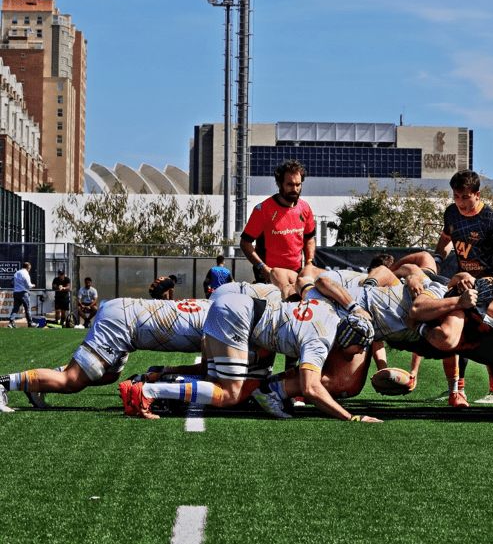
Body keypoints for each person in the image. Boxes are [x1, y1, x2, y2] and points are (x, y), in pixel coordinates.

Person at [120, 291, 381, 423]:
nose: (359, 353)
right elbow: (311, 389)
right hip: (238, 318)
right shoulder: (321, 340)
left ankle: (150, 377)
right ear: (348, 339)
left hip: (235, 309)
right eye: (360, 347)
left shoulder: (329, 313)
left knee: (210, 379)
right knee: (229, 395)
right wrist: (351, 417)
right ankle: (149, 391)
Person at [0, 298, 213, 412]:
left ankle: (39, 383)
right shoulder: (223, 320)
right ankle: (3, 383)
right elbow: (206, 369)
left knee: (108, 376)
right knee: (72, 381)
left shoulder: (215, 306)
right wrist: (164, 372)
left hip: (126, 314)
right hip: (123, 323)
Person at [434, 169, 493, 405]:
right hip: (464, 282)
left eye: (465, 197)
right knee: (455, 331)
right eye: (456, 196)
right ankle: (457, 390)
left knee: (490, 337)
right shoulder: (451, 213)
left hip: (490, 283)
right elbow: (444, 240)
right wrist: (437, 261)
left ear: (477, 194)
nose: (460, 202)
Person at [239, 159, 316, 300]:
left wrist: (309, 263)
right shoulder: (263, 210)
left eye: (298, 184)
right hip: (269, 276)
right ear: (279, 184)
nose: (295, 189)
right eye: (290, 184)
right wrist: (262, 267)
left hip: (295, 274)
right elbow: (245, 243)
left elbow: (309, 238)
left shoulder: (305, 208)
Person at [8, 262, 36, 328]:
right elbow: (28, 285)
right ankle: (30, 323)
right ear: (28, 267)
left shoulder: (16, 273)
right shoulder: (25, 273)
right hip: (23, 293)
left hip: (16, 292)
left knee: (15, 308)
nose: (29, 269)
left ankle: (11, 322)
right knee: (27, 308)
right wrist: (33, 285)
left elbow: (12, 283)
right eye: (29, 268)